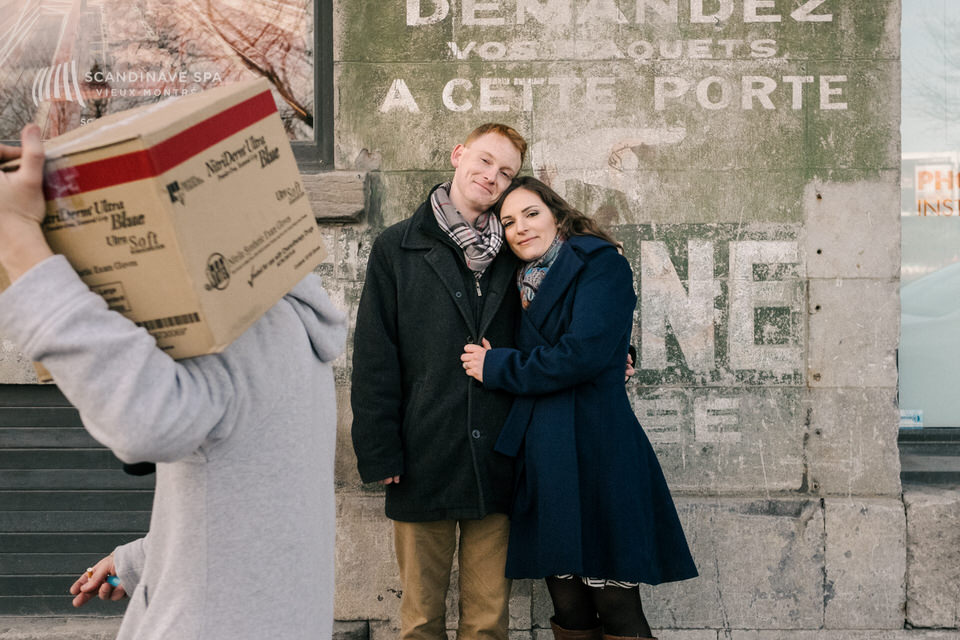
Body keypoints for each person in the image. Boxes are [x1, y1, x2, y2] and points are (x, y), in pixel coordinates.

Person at [0, 125, 347, 639]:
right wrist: (138, 560)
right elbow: (242, 497)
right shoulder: (285, 318)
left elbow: (147, 421)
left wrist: (18, 238)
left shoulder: (237, 337)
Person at [461, 177, 698, 640]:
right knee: (567, 603)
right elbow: (582, 344)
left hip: (599, 449)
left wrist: (498, 367)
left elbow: (582, 353)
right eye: (508, 222)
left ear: (557, 213)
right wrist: (614, 352)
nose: (520, 228)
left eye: (531, 214)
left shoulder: (600, 263)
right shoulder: (511, 280)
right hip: (543, 453)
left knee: (615, 602)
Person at [350, 123, 527, 640]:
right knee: (421, 619)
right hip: (421, 454)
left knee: (489, 620)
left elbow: (556, 325)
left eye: (507, 172)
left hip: (498, 457)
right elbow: (375, 357)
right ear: (459, 154)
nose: (492, 176)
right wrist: (380, 451)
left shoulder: (517, 251)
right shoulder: (396, 248)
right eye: (486, 161)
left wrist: (613, 353)